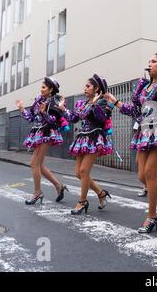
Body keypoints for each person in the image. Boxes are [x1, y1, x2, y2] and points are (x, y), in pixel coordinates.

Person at [105, 48, 157, 233]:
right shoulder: (144, 86)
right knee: (142, 177)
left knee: (149, 173)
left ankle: (153, 216)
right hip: (144, 132)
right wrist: (116, 102)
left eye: (154, 61)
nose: (149, 64)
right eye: (149, 61)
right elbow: (135, 111)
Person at [60, 74, 113, 215]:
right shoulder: (82, 103)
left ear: (97, 89)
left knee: (84, 171)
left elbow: (102, 118)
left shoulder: (103, 102)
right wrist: (63, 109)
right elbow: (73, 118)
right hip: (83, 138)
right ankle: (101, 193)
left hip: (95, 137)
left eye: (88, 86)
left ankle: (82, 201)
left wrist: (95, 104)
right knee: (78, 173)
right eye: (85, 86)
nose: (85, 88)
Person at [16, 77, 68, 205]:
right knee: (39, 165)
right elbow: (31, 118)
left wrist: (44, 113)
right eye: (41, 86)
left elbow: (53, 122)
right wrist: (22, 109)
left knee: (34, 163)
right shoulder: (39, 100)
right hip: (37, 132)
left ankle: (38, 192)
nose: (41, 89)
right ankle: (59, 185)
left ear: (51, 90)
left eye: (44, 87)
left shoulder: (54, 102)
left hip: (47, 133)